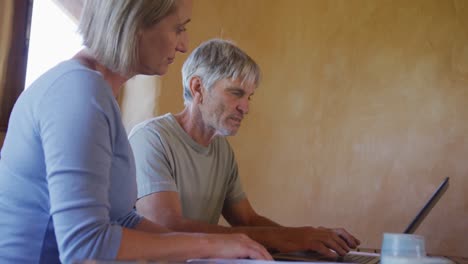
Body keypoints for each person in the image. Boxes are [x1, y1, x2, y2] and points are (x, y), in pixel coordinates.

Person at [0, 1, 272, 263]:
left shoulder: (98, 94)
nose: (183, 45)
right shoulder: (79, 93)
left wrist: (210, 249)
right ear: (135, 23)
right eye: (178, 28)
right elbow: (84, 245)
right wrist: (212, 244)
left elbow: (122, 219)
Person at [129, 38, 362, 259]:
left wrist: (308, 243)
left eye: (249, 96)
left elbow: (247, 221)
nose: (246, 108)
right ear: (198, 87)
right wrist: (290, 238)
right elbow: (167, 227)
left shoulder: (222, 150)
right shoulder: (151, 138)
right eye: (236, 93)